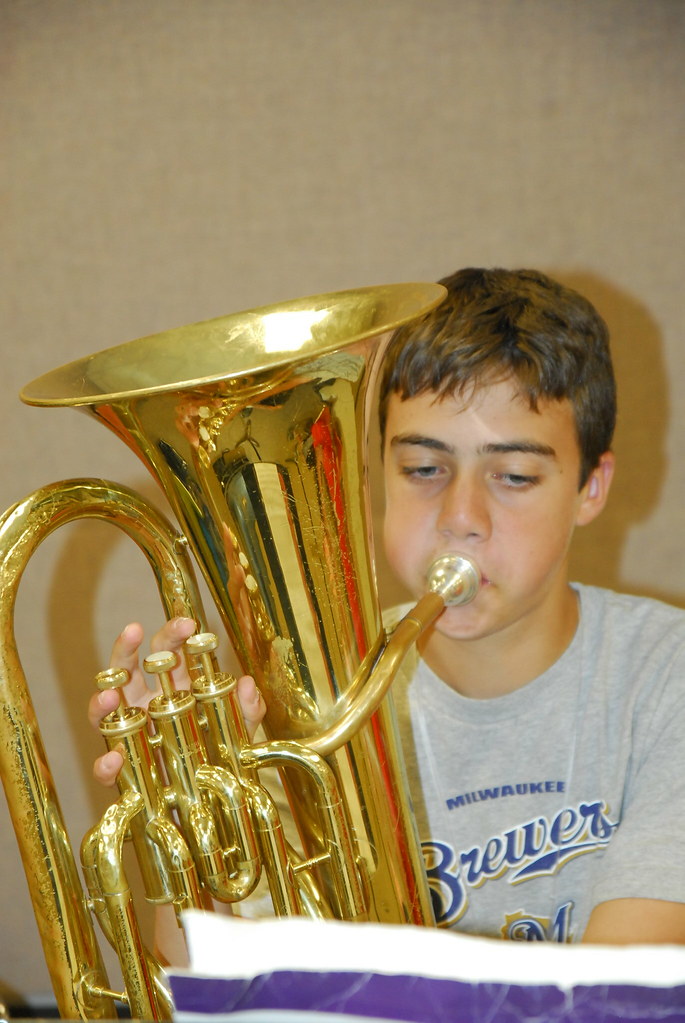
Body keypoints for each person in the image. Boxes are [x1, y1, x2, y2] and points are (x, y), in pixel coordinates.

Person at [90, 267, 685, 952]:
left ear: (590, 488)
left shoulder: (663, 678)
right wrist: (186, 821)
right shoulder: (304, 698)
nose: (461, 517)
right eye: (424, 469)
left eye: (515, 475)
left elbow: (613, 990)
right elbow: (202, 976)